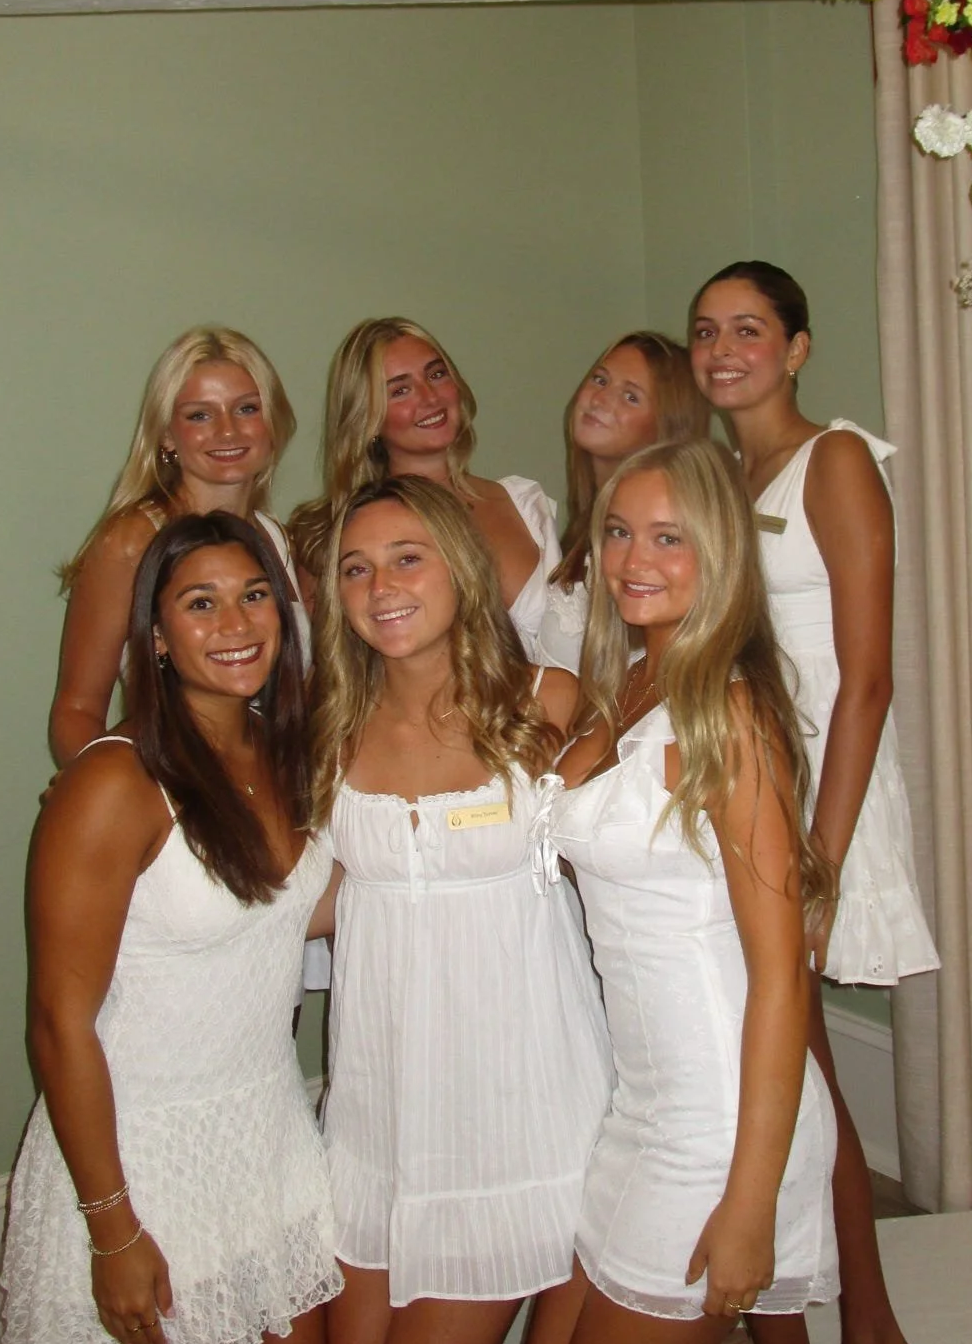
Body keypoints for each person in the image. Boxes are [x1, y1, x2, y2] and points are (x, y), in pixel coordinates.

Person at [1, 512, 341, 1344]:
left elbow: (297, 912)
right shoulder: (115, 782)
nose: (235, 625)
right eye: (201, 604)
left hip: (269, 1137)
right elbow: (58, 1022)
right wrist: (113, 1229)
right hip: (142, 1156)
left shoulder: (286, 754)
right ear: (154, 636)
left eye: (254, 595)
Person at [689, 260, 939, 1344]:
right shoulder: (717, 477)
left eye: (749, 328)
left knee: (795, 1071)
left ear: (795, 348)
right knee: (778, 1061)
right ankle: (800, 1313)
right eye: (705, 331)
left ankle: (864, 1317)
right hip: (740, 787)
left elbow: (868, 676)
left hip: (819, 795)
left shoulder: (833, 460)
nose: (723, 349)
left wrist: (822, 857)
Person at [309, 475, 612, 1344]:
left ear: (462, 568)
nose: (382, 588)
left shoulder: (547, 703)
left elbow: (636, 890)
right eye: (356, 570)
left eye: (408, 558)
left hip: (520, 1108)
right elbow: (306, 901)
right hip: (379, 1114)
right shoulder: (329, 724)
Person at [549, 439, 839, 1343]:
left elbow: (783, 974)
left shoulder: (730, 713)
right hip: (639, 1101)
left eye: (670, 538)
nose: (635, 561)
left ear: (719, 552)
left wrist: (750, 1204)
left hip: (722, 1120)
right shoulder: (631, 681)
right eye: (620, 533)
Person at [49, 326, 306, 768]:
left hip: (273, 792)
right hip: (179, 798)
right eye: (200, 416)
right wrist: (130, 803)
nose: (227, 431)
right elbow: (76, 711)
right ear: (166, 435)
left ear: (273, 423)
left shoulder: (275, 536)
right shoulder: (131, 541)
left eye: (246, 408)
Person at [295, 317, 562, 660]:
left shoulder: (525, 502)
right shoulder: (340, 534)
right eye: (400, 390)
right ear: (367, 417)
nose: (430, 397)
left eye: (436, 374)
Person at [540, 330, 711, 672]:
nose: (601, 399)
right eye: (600, 380)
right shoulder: (583, 525)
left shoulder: (678, 544)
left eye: (631, 397)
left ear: (668, 426)